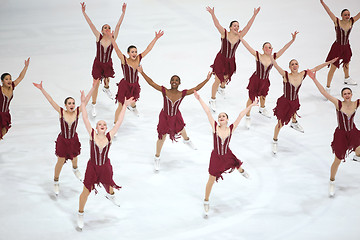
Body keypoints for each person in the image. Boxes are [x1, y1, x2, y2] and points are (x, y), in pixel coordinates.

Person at [194, 90, 258, 216]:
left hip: (227, 154)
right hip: (216, 157)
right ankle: (206, 201)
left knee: (235, 163)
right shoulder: (215, 127)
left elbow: (240, 116)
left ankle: (242, 171)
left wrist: (251, 105)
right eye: (219, 116)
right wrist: (199, 99)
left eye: (223, 116)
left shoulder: (231, 128)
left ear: (227, 119)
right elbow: (208, 112)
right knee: (211, 179)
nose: (221, 117)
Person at [77, 91, 135, 230]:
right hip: (92, 167)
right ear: (96, 128)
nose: (102, 125)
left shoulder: (109, 136)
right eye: (99, 124)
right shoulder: (92, 135)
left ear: (106, 127)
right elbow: (85, 118)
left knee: (109, 187)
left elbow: (119, 121)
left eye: (104, 124)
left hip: (105, 167)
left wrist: (125, 106)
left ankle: (111, 196)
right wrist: (83, 104)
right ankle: (80, 214)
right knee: (86, 191)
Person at [138, 66, 212, 171]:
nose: (174, 81)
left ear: (179, 83)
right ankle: (157, 157)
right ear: (170, 82)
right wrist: (142, 72)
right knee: (162, 137)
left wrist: (207, 79)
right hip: (164, 116)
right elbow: (151, 83)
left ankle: (186, 141)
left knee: (182, 129)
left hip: (176, 115)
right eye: (173, 80)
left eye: (176, 80)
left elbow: (196, 88)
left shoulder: (182, 93)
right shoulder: (165, 91)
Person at [33, 80, 98, 195]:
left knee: (75, 156)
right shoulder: (61, 112)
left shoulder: (77, 111)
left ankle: (75, 168)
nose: (72, 105)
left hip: (73, 140)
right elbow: (51, 100)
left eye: (73, 103)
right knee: (60, 161)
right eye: (69, 103)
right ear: (65, 105)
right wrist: (42, 89)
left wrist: (93, 87)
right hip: (63, 140)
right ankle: (56, 181)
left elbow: (86, 100)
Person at [308, 70, 360, 197]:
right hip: (341, 135)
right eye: (345, 93)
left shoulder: (356, 103)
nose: (347, 95)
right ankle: (331, 181)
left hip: (353, 131)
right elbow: (324, 93)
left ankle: (356, 155)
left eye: (349, 93)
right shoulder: (338, 103)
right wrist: (314, 79)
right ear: (342, 95)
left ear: (352, 94)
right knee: (337, 160)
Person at [270, 57, 337, 154]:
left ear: (298, 66)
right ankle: (274, 141)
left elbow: (316, 68)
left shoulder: (302, 74)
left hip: (295, 100)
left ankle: (294, 122)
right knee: (280, 123)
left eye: (296, 64)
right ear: (289, 67)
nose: (294, 65)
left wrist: (330, 62)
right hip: (285, 102)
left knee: (294, 110)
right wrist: (271, 57)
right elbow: (276, 66)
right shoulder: (286, 75)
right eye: (292, 64)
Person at [239, 32, 298, 128]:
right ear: (263, 49)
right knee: (251, 98)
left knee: (263, 96)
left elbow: (284, 49)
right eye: (266, 47)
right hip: (256, 79)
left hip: (265, 80)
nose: (268, 48)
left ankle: (262, 108)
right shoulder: (258, 55)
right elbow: (247, 47)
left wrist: (292, 40)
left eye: (270, 47)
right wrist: (241, 38)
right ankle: (248, 116)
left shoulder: (273, 57)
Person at [207, 6, 260, 112]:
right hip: (221, 59)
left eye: (238, 26)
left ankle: (222, 88)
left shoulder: (239, 36)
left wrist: (254, 15)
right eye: (234, 25)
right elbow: (217, 25)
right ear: (230, 27)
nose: (236, 27)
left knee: (226, 77)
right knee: (217, 79)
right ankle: (212, 99)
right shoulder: (224, 33)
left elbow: (248, 27)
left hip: (231, 60)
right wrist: (213, 14)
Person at [81, 2, 127, 117]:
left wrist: (123, 13)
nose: (107, 29)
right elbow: (90, 24)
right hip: (98, 64)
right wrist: (84, 12)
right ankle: (94, 104)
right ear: (101, 31)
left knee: (107, 80)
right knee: (95, 84)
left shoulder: (113, 38)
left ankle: (106, 88)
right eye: (105, 28)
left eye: (108, 27)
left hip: (107, 64)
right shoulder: (98, 37)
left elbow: (118, 25)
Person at [107, 29, 163, 122]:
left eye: (135, 51)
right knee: (120, 106)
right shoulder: (124, 59)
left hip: (134, 84)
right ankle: (115, 124)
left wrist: (155, 38)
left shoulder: (138, 59)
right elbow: (116, 49)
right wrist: (112, 38)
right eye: (132, 52)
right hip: (125, 85)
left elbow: (148, 49)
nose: (134, 53)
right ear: (128, 53)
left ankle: (133, 108)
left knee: (133, 100)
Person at [320, 0, 360, 91]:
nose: (347, 16)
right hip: (337, 47)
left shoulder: (351, 21)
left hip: (346, 46)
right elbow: (329, 12)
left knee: (347, 62)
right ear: (341, 16)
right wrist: (322, 3)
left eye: (348, 15)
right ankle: (328, 87)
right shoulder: (337, 21)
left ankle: (347, 78)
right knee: (333, 68)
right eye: (345, 15)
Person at [0, 58, 30, 140]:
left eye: (10, 78)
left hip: (5, 114)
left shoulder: (12, 87)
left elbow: (20, 77)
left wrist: (26, 67)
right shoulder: (0, 89)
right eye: (6, 79)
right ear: (2, 81)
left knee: (4, 131)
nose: (9, 80)